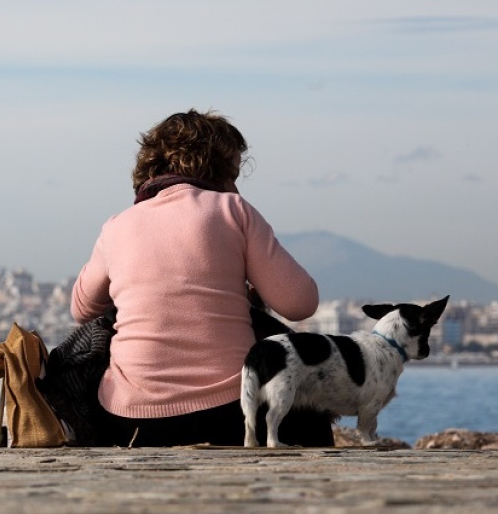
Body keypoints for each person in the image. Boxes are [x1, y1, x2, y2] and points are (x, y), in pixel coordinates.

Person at [71, 109, 332, 447]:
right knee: (307, 388)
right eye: (234, 175)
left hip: (130, 420)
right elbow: (300, 303)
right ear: (214, 169)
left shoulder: (117, 225)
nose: (236, 188)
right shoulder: (232, 210)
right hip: (231, 414)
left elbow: (81, 309)